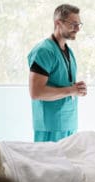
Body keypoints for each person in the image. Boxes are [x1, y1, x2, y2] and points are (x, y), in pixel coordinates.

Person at [28, 4, 87, 142]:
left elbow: (63, 83)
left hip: (68, 123)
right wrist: (71, 90)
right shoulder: (44, 51)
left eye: (79, 24)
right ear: (58, 23)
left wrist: (77, 89)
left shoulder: (68, 51)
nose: (77, 28)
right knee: (47, 163)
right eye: (73, 24)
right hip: (50, 126)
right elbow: (36, 92)